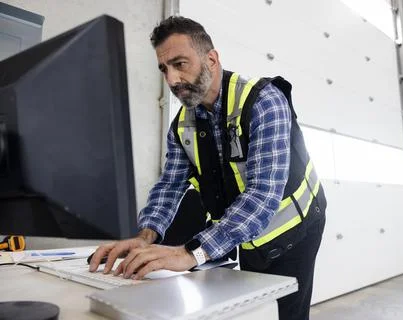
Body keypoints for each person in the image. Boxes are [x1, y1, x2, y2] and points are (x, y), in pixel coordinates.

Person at [89, 16, 327, 320]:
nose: (172, 80)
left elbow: (263, 194)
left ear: (211, 59)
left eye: (180, 64)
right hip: (248, 232)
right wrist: (145, 235)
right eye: (164, 69)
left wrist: (190, 253)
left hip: (297, 227)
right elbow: (170, 185)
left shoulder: (264, 101)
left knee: (287, 314)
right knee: (260, 310)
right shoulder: (182, 125)